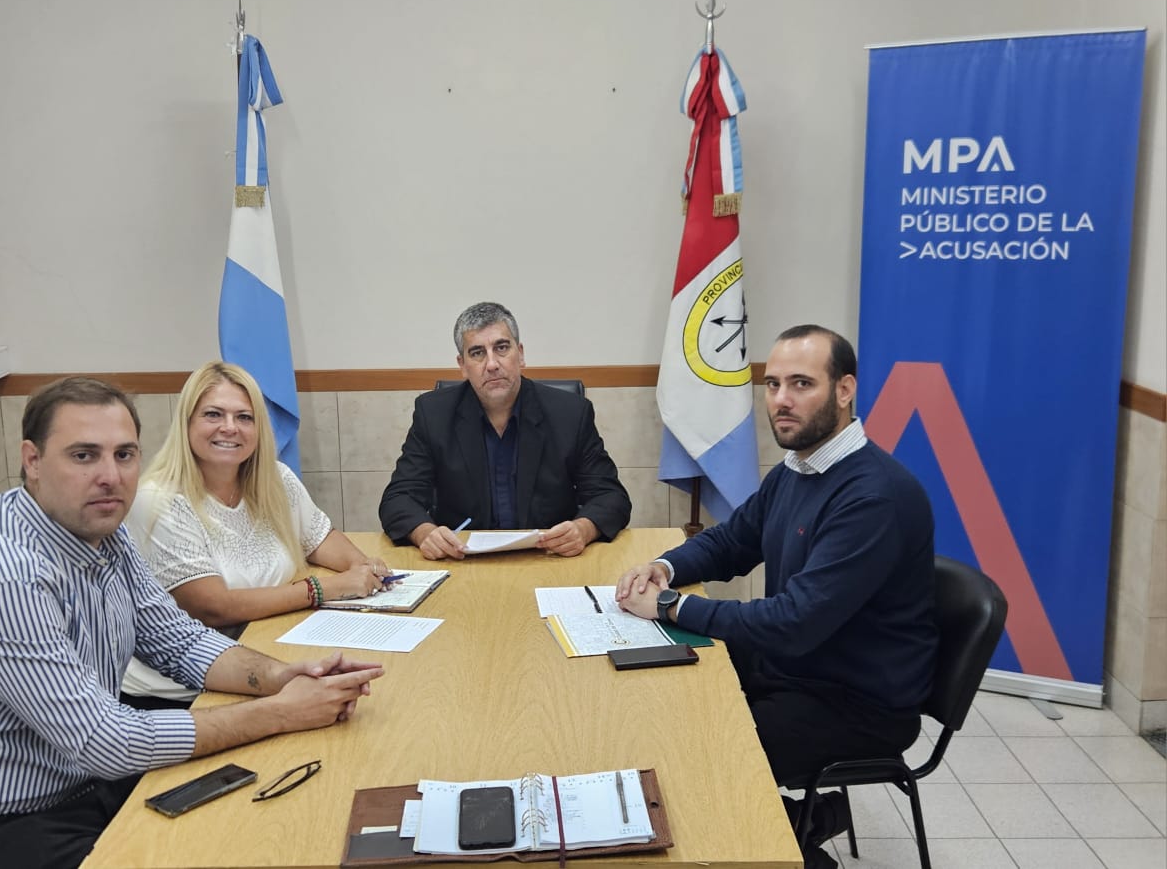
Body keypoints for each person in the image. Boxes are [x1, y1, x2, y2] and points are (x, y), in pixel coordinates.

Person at [0, 378, 384, 869]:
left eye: (124, 455)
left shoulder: (103, 534)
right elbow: (106, 742)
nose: (110, 477)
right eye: (83, 455)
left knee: (261, 828)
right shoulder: (4, 580)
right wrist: (280, 712)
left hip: (72, 786)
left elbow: (179, 642)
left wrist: (282, 676)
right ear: (32, 460)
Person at [615, 325, 937, 869]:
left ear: (844, 390)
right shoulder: (800, 466)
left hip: (856, 701)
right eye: (772, 384)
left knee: (701, 754)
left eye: (801, 384)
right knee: (663, 696)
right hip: (797, 668)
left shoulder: (872, 497)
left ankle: (794, 849)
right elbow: (733, 541)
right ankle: (804, 820)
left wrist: (672, 606)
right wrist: (665, 567)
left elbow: (794, 622)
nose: (781, 400)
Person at [121, 361, 392, 707]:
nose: (229, 427)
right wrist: (323, 588)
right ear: (186, 423)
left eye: (244, 417)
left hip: (266, 653)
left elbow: (319, 538)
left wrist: (362, 566)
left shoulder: (275, 478)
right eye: (213, 415)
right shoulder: (158, 500)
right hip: (184, 694)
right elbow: (215, 607)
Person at [379, 301, 631, 560]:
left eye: (501, 348)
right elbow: (398, 499)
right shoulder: (434, 415)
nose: (492, 364)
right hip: (463, 561)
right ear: (462, 365)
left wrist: (583, 529)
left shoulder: (570, 414)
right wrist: (425, 533)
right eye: (477, 352)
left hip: (549, 558)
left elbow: (610, 496)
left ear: (520, 354)